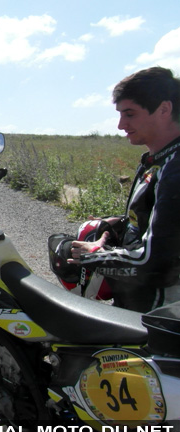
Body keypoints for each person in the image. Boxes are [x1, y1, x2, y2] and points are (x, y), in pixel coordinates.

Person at [67, 67, 180, 312]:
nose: (120, 125)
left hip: (162, 318)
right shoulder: (156, 160)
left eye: (129, 114)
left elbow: (156, 262)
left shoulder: (175, 168)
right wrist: (118, 225)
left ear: (164, 109)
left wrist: (92, 256)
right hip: (140, 302)